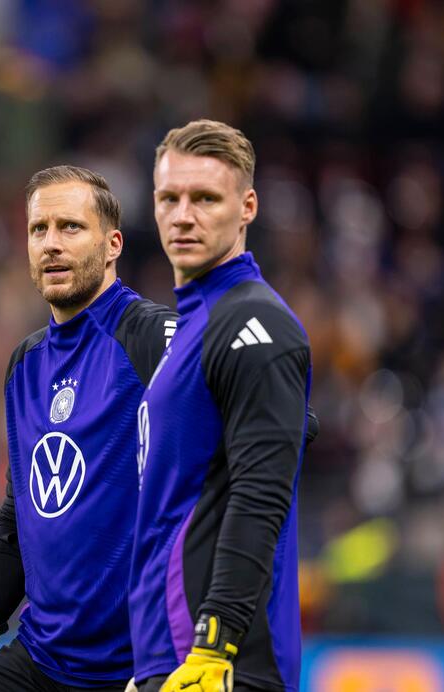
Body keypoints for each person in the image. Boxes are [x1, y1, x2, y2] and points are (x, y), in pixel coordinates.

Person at [0, 165, 176, 692]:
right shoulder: (25, 365)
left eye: (70, 228)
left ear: (112, 244)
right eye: (38, 230)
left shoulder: (153, 337)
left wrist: (177, 657)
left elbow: (271, 423)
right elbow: (21, 514)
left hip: (141, 668)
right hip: (42, 661)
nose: (51, 244)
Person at [128, 120, 316, 692]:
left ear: (247, 207)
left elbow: (261, 497)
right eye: (169, 198)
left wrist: (214, 646)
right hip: (172, 659)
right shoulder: (193, 325)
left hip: (221, 665)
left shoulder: (254, 324)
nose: (184, 215)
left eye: (206, 198)